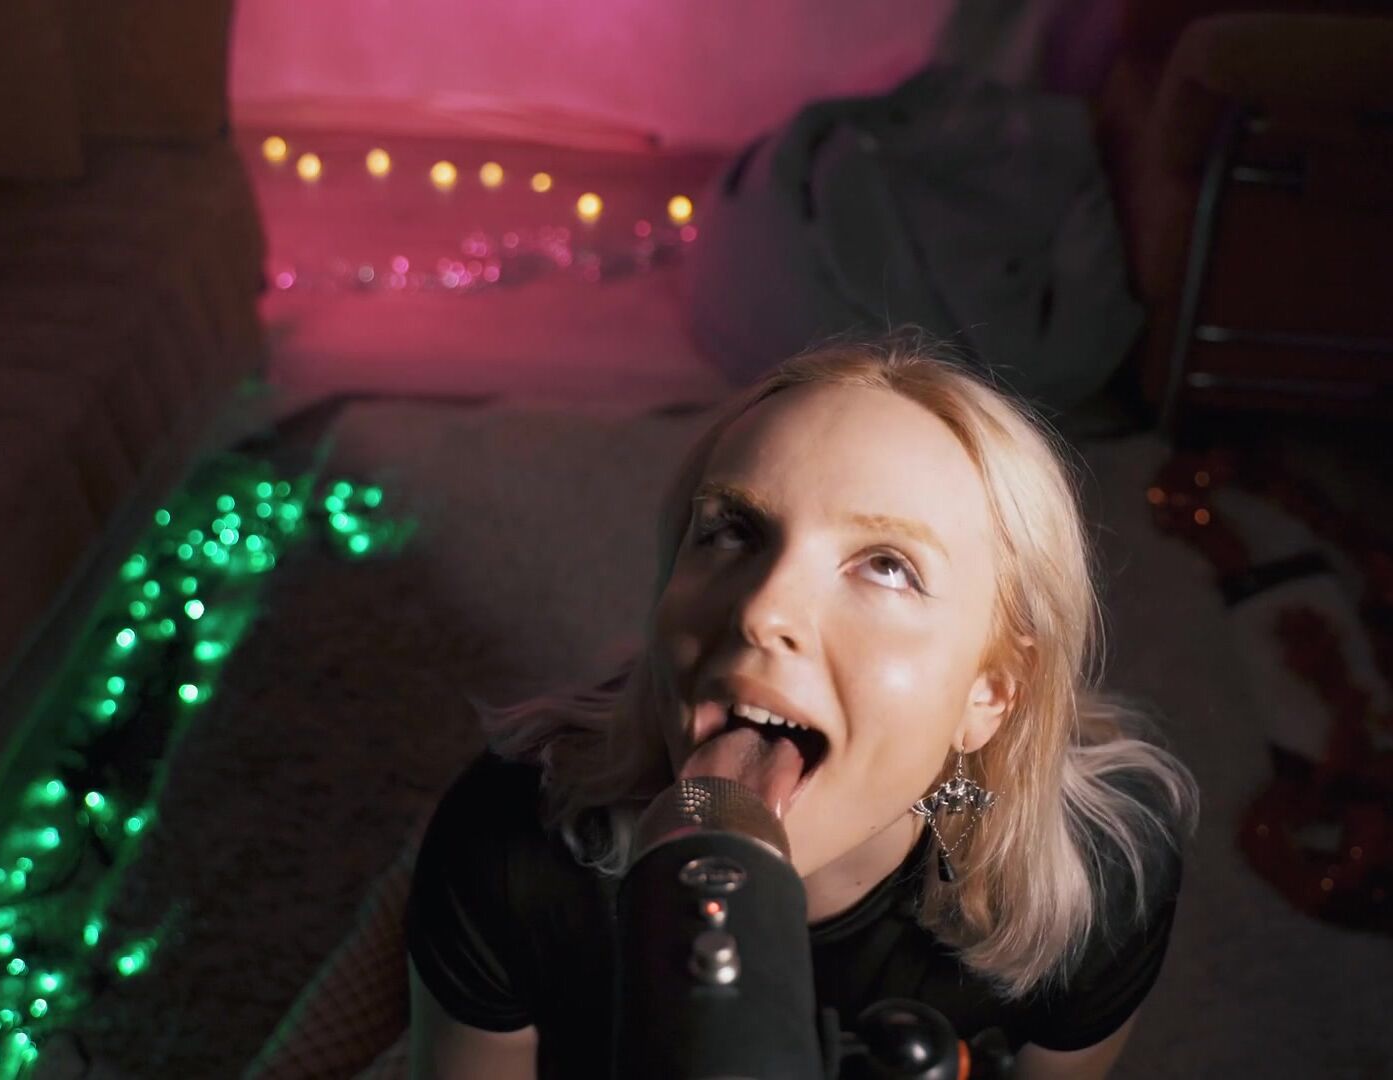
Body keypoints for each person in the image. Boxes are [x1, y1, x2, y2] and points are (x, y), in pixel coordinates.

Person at [404, 334, 1198, 1079]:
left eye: (885, 565)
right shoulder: (509, 843)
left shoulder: (1103, 875)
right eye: (732, 531)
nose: (760, 610)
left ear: (989, 691)